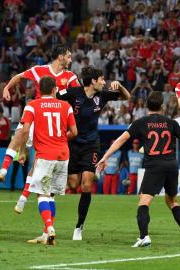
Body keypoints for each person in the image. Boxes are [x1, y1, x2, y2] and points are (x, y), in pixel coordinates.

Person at [96, 91, 180, 247]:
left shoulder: (140, 123)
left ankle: (144, 236)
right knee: (172, 201)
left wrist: (105, 157)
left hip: (154, 165)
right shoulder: (170, 122)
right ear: (161, 106)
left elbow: (121, 140)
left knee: (144, 200)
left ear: (147, 105)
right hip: (171, 164)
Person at [0, 44, 80, 215]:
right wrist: (6, 88)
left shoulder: (70, 77)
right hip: (37, 114)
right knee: (18, 135)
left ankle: (23, 198)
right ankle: (3, 170)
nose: (70, 59)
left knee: (38, 162)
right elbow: (19, 76)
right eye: (69, 56)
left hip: (53, 123)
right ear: (60, 56)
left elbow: (79, 94)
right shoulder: (39, 70)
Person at [56, 66, 130, 240]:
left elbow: (127, 97)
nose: (104, 82)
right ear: (93, 81)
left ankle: (79, 227)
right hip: (73, 143)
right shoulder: (73, 93)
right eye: (102, 79)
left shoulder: (102, 95)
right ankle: (83, 172)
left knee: (86, 185)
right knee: (73, 184)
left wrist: (119, 86)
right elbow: (53, 96)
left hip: (91, 144)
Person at [13, 76, 77, 244]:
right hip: (63, 155)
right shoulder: (66, 106)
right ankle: (45, 235)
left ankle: (49, 227)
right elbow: (74, 132)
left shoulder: (32, 105)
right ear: (55, 89)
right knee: (51, 196)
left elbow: (25, 130)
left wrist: (22, 151)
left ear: (39, 90)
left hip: (45, 155)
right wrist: (61, 140)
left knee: (42, 195)